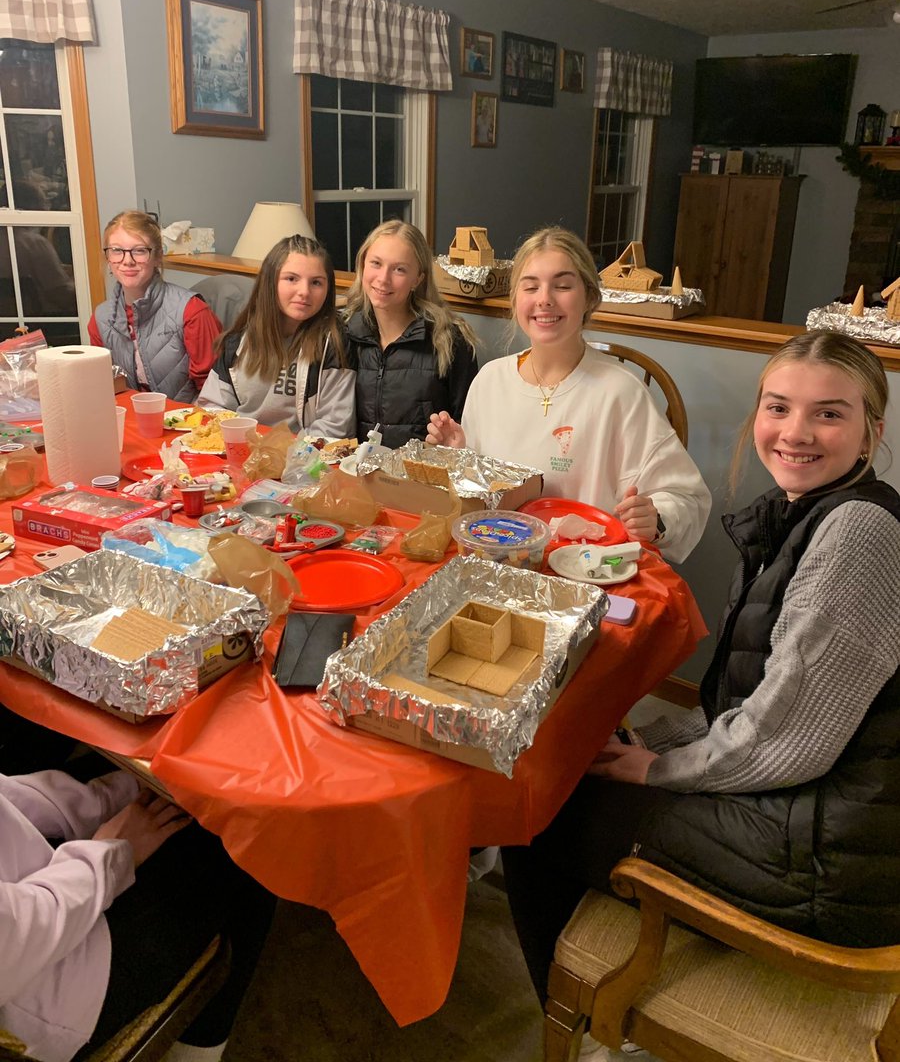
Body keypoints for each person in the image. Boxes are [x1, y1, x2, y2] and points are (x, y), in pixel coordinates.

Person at [501, 330, 900, 1010]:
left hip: (827, 860)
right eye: (778, 408)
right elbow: (745, 703)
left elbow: (784, 743)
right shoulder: (800, 515)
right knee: (600, 752)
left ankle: (592, 1019)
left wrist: (658, 770)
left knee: (536, 812)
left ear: (869, 434)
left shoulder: (857, 534)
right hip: (814, 806)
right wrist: (661, 742)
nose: (795, 431)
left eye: (829, 413)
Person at [426, 227, 710, 563]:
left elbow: (687, 498)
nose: (544, 299)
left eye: (562, 285)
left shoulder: (621, 392)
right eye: (531, 286)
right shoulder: (489, 381)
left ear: (590, 297)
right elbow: (480, 499)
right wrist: (459, 458)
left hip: (587, 568)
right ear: (516, 299)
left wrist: (657, 518)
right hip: (500, 563)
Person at [1, 768, 275, 1062]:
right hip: (46, 994)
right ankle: (195, 1052)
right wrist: (110, 854)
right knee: (253, 830)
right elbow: (21, 934)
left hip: (40, 900)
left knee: (207, 791)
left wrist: (122, 790)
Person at [198, 234, 354, 436]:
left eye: (316, 282)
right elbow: (212, 408)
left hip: (302, 460)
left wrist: (284, 457)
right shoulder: (238, 340)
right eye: (291, 279)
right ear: (270, 283)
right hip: (240, 449)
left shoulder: (334, 342)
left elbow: (334, 427)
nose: (304, 291)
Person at [344, 220, 479, 449]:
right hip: (356, 475)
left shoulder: (449, 340)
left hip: (421, 477)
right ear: (362, 265)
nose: (383, 278)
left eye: (399, 269)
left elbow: (469, 431)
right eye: (376, 263)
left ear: (418, 279)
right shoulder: (345, 331)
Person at [88, 211, 221, 402]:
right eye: (117, 250)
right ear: (108, 258)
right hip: (133, 421)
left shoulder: (192, 311)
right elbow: (105, 386)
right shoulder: (101, 319)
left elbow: (215, 395)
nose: (127, 261)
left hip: (189, 424)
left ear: (158, 256)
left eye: (139, 250)